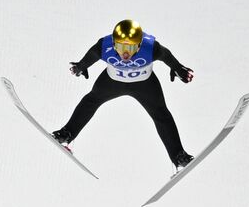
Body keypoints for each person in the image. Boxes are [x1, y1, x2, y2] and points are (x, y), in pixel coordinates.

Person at [52, 20, 196, 169]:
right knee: (90, 101)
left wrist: (178, 69)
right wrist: (80, 67)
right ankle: (66, 134)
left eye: (131, 47)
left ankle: (179, 156)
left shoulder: (151, 47)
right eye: (120, 47)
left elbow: (166, 56)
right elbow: (92, 55)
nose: (125, 54)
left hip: (145, 85)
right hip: (112, 82)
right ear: (114, 43)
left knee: (161, 115)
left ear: (139, 45)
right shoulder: (104, 46)